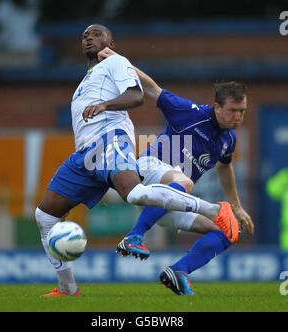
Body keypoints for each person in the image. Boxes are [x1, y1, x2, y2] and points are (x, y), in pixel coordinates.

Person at [35, 24, 235, 297]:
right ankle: (67, 287)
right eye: (84, 35)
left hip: (110, 139)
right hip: (84, 154)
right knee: (44, 216)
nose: (88, 37)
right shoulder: (85, 82)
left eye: (96, 34)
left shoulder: (115, 62)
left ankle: (213, 209)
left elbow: (137, 95)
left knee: (135, 194)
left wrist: (105, 105)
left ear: (111, 44)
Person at [99, 47, 254, 296]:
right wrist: (119, 61)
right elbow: (151, 88)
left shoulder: (229, 140)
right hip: (150, 169)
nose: (238, 116)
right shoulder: (190, 114)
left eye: (242, 111)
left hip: (171, 198)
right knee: (184, 181)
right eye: (233, 110)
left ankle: (178, 271)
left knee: (226, 231)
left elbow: (225, 168)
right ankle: (134, 236)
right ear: (216, 107)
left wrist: (236, 206)